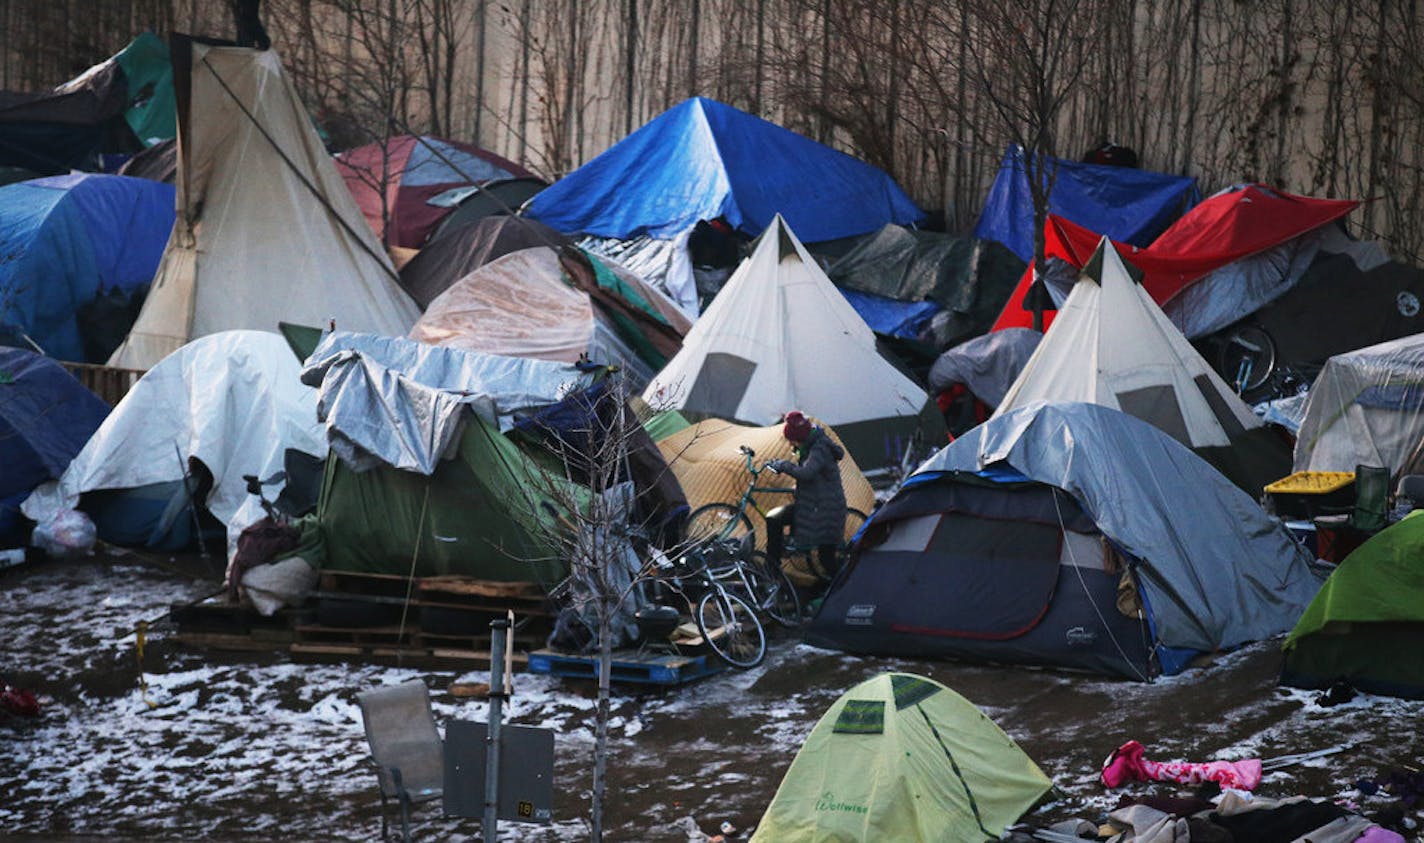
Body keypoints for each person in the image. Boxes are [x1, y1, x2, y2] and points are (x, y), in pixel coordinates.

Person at [764, 411, 847, 583]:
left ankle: (845, 587)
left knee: (827, 558)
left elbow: (807, 473)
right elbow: (816, 476)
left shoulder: (819, 448)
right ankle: (773, 566)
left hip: (824, 510)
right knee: (774, 518)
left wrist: (784, 465)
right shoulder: (811, 445)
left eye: (792, 441)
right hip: (812, 505)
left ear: (799, 438)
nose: (791, 444)